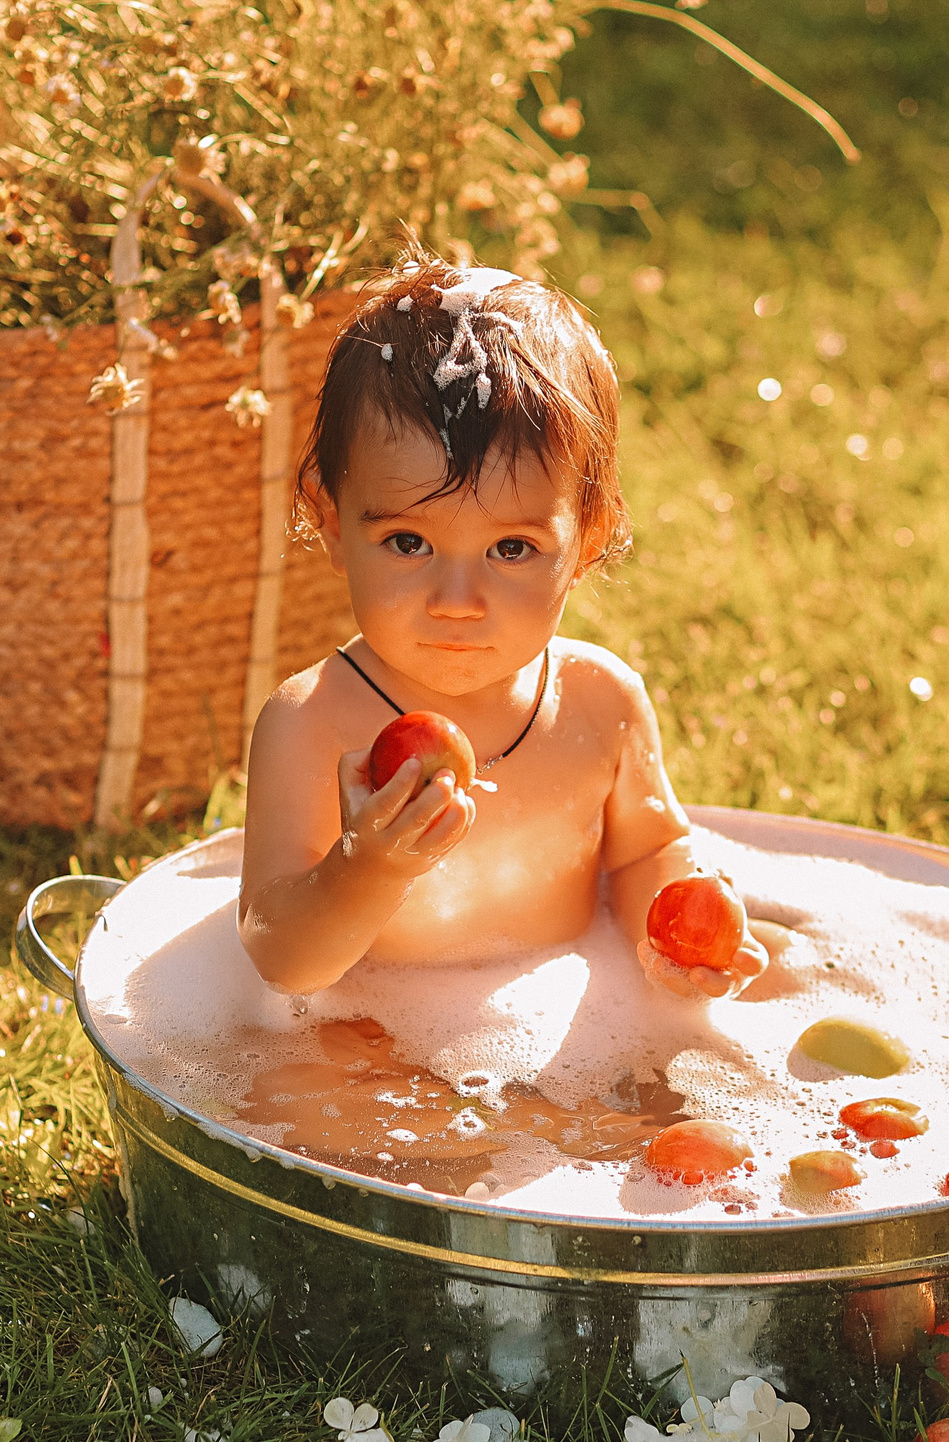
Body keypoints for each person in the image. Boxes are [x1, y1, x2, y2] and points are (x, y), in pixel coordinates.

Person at [237, 249, 768, 999]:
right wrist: (365, 866)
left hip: (554, 1047)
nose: (459, 598)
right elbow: (280, 957)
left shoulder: (600, 703)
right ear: (331, 522)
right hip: (371, 1050)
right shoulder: (313, 725)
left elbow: (652, 853)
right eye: (408, 542)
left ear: (588, 538)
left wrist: (681, 931)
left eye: (511, 548)